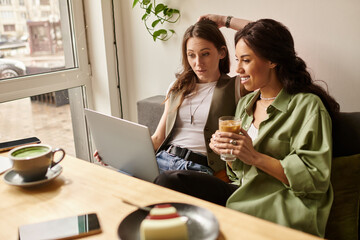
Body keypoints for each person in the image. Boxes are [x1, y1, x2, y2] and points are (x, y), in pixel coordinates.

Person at [154, 15, 340, 237]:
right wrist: (230, 155)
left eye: (246, 60)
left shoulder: (306, 106)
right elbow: (237, 175)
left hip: (279, 201)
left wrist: (254, 156)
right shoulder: (246, 104)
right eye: (237, 59)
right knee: (170, 180)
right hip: (243, 191)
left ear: (272, 60)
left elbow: (315, 178)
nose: (238, 69)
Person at [95, 19, 249, 181]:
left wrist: (225, 20)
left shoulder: (237, 86)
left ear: (222, 52)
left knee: (162, 185)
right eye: (191, 55)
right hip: (161, 159)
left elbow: (269, 39)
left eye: (205, 54)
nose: (198, 63)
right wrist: (116, 153)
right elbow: (157, 139)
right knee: (116, 182)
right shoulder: (177, 87)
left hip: (197, 169)